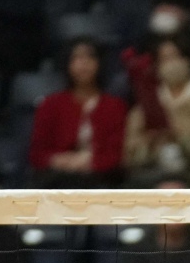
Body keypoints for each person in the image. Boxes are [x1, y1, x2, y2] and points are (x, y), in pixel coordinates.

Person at [123, 33, 190, 180]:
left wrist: (182, 141)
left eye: (175, 57)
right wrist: (151, 144)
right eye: (164, 59)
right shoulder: (142, 109)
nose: (171, 64)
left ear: (189, 61)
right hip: (151, 180)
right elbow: (128, 157)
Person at [29, 38, 128, 187]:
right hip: (58, 177)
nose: (84, 63)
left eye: (90, 57)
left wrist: (89, 162)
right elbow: (37, 154)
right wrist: (59, 160)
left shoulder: (115, 106)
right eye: (77, 58)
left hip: (100, 178)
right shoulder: (50, 104)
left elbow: (116, 155)